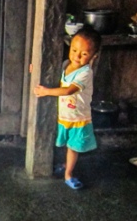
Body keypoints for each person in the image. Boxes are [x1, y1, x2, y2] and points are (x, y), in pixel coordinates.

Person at [33, 27, 102, 190]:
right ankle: (65, 165)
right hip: (64, 116)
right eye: (74, 50)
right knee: (64, 143)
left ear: (93, 56)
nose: (77, 56)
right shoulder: (65, 65)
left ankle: (68, 175)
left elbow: (69, 90)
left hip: (78, 119)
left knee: (72, 147)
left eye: (84, 54)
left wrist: (46, 92)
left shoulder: (85, 73)